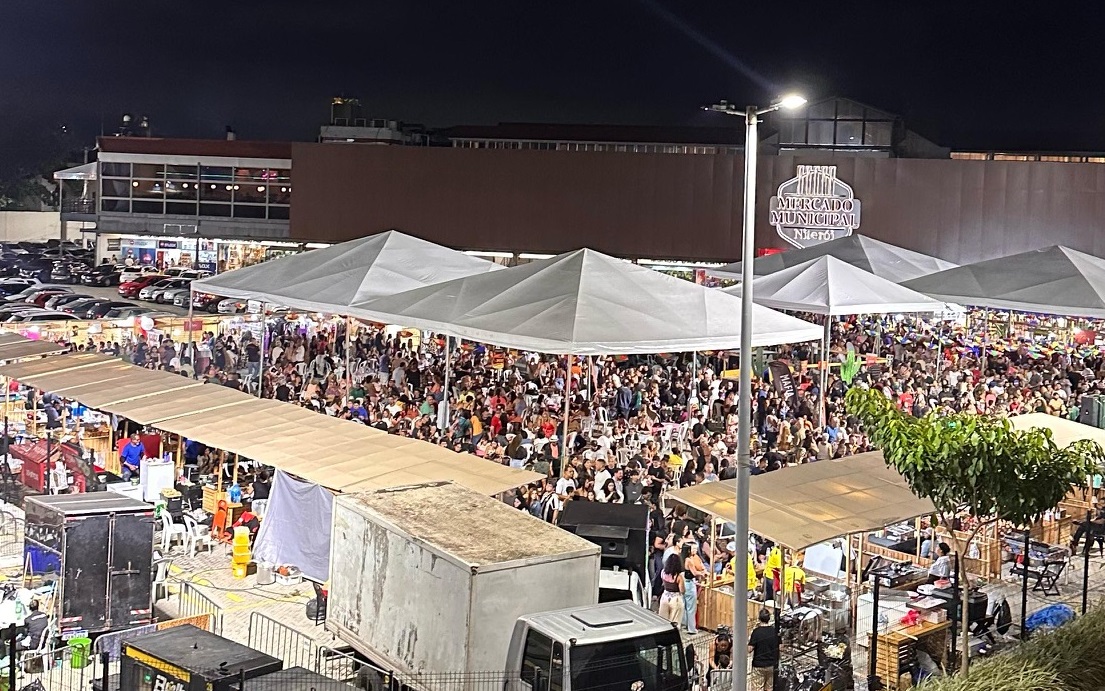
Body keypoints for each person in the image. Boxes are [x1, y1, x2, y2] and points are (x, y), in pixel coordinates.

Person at [748, 609, 780, 691]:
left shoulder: (756, 632)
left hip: (759, 664)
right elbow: (781, 647)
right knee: (769, 688)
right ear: (769, 618)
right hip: (771, 664)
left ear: (759, 618)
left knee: (757, 688)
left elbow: (749, 649)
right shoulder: (774, 631)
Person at [682, 542, 707, 634]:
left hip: (685, 582)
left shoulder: (683, 558)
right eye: (693, 549)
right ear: (688, 550)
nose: (695, 551)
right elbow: (695, 573)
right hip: (689, 584)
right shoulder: (689, 560)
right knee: (691, 607)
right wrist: (703, 573)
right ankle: (691, 628)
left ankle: (685, 624)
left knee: (685, 605)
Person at [657, 553, 685, 624]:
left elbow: (663, 583)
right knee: (675, 622)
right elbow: (682, 590)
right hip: (676, 599)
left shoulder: (663, 572)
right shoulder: (678, 577)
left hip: (665, 597)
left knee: (663, 622)